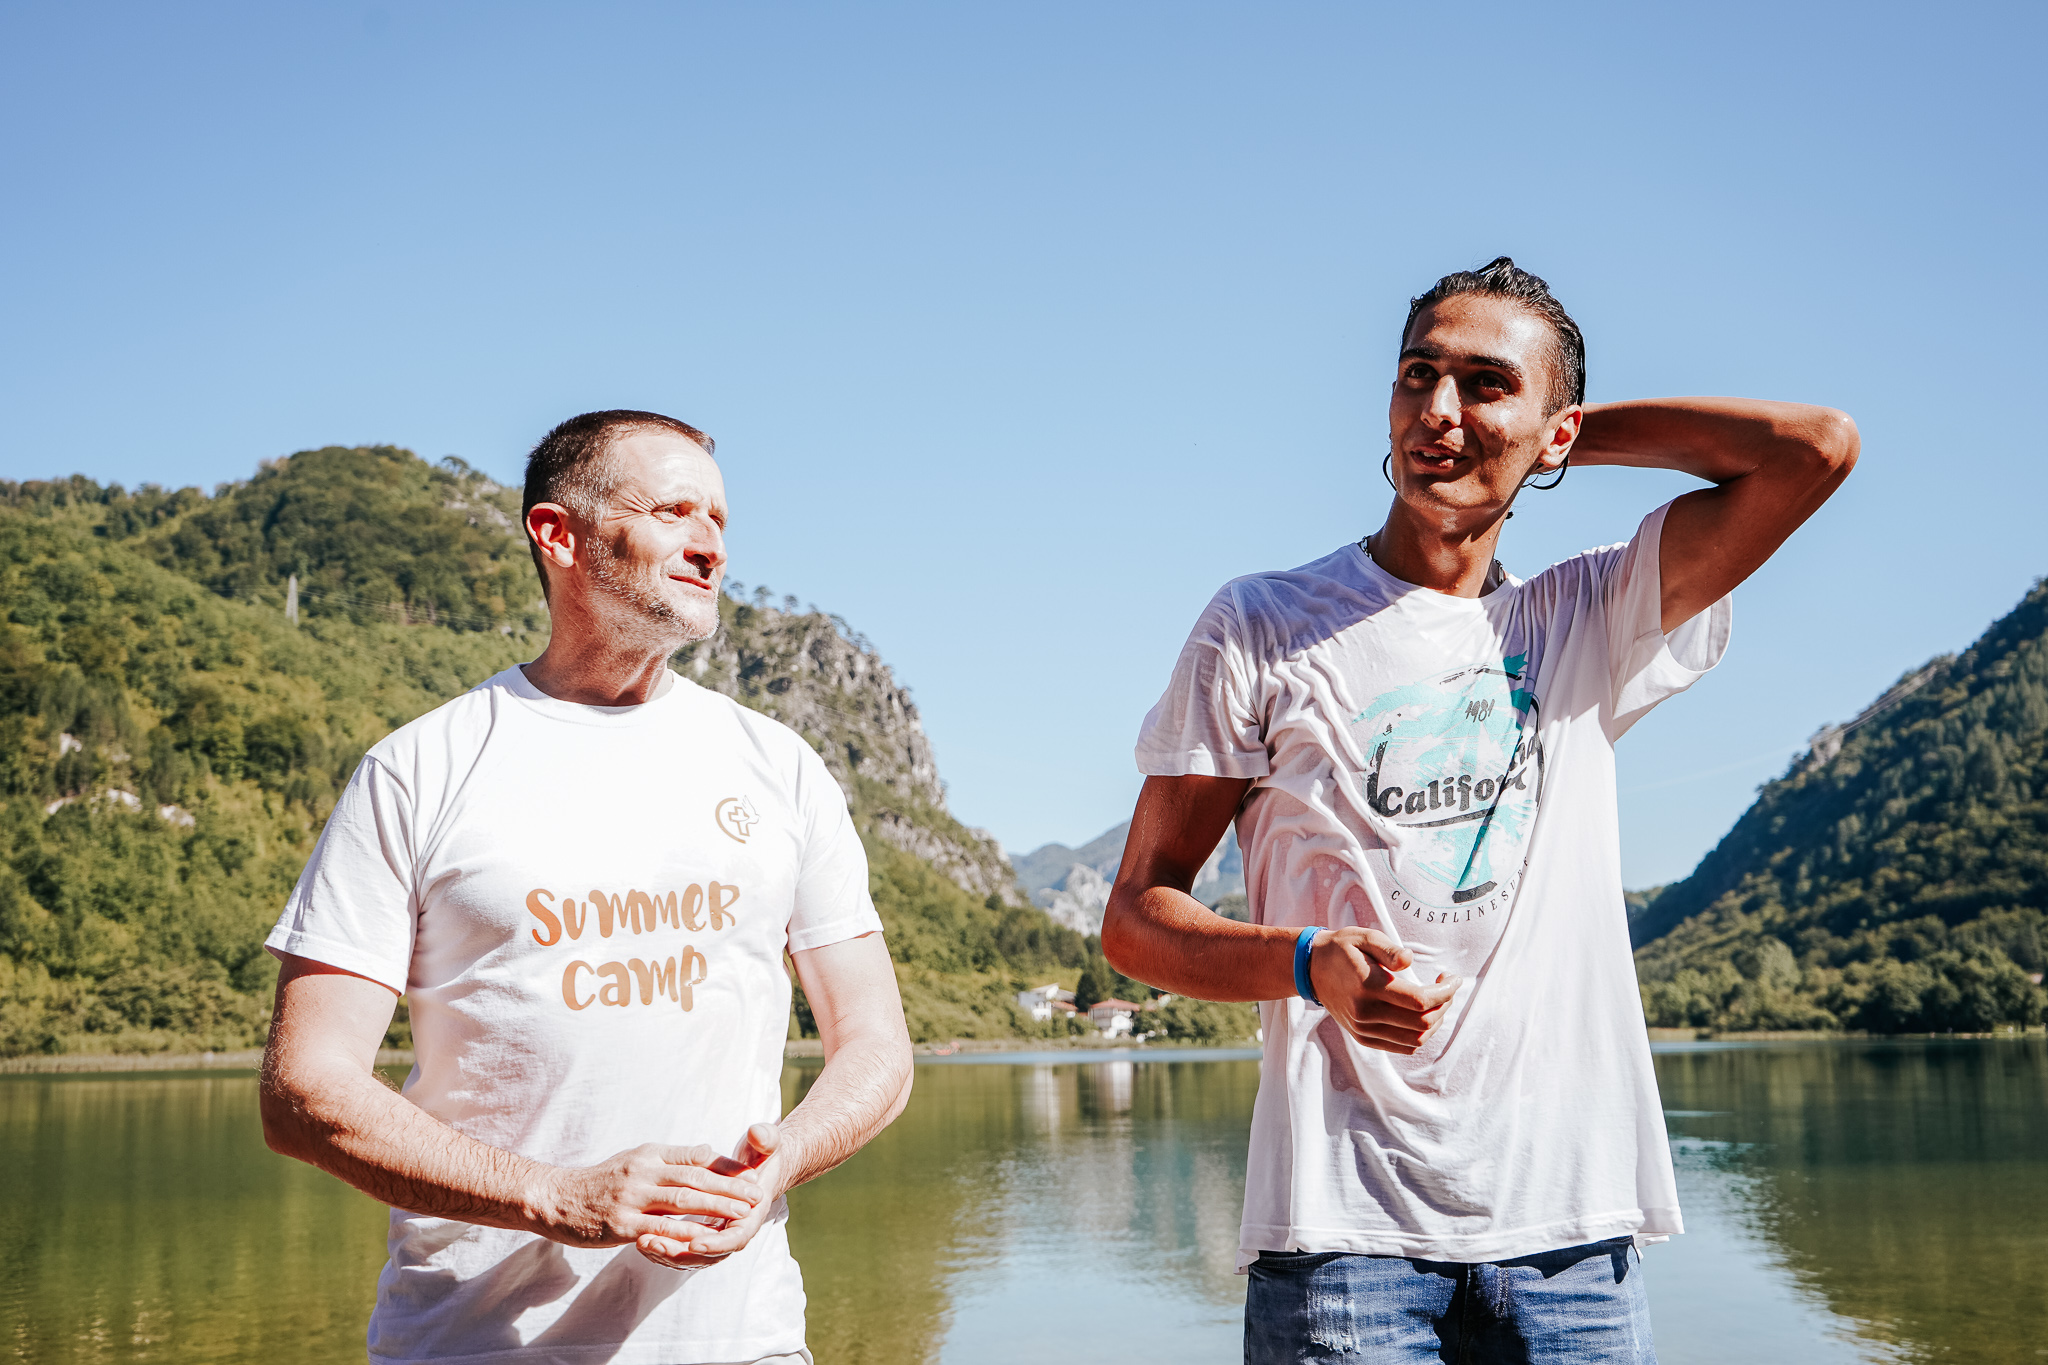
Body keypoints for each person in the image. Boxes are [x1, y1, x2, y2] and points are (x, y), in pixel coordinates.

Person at [1101, 258, 1857, 1363]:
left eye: (1483, 385)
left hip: (1571, 1242)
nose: (1437, 412)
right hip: (1340, 1245)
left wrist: (1552, 438)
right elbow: (1134, 918)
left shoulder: (1588, 617)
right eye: (1417, 376)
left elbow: (1812, 449)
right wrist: (1310, 963)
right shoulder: (1262, 623)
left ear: (1553, 429)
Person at [260, 409, 912, 1365]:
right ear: (557, 535)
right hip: (479, 1345)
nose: (709, 544)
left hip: (743, 1342)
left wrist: (778, 1168)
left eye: (721, 521)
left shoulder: (781, 765)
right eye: (674, 510)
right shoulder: (420, 769)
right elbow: (302, 1089)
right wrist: (554, 1197)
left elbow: (877, 1045)